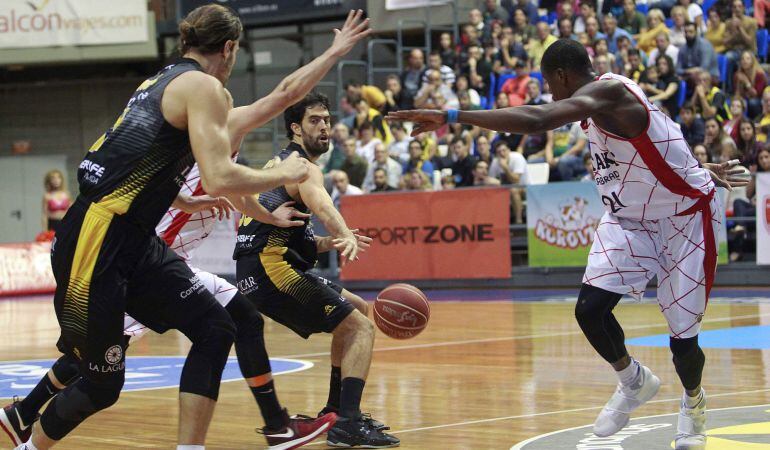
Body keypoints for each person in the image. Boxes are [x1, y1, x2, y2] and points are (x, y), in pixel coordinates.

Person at [2, 8, 374, 450]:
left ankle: (213, 442)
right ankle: (24, 426)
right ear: (230, 48)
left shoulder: (162, 83)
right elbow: (219, 177)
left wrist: (178, 196)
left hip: (133, 238)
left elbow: (280, 95)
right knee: (101, 380)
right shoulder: (206, 90)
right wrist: (284, 172)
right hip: (99, 241)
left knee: (220, 327)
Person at [388, 38, 749, 449]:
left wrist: (453, 114)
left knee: (683, 339)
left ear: (562, 76)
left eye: (550, 83)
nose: (550, 93)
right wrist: (696, 166)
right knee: (590, 311)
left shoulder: (609, 92)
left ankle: (693, 403)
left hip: (684, 221)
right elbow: (659, 142)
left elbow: (538, 118)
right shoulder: (604, 108)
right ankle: (633, 381)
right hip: (630, 220)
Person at [235, 93, 399, 448]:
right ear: (295, 128)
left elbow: (295, 234)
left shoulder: (277, 165)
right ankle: (348, 424)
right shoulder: (301, 166)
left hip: (263, 266)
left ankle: (337, 410)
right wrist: (341, 232)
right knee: (361, 328)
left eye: (326, 119)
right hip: (271, 270)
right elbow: (323, 205)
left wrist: (332, 241)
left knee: (357, 309)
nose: (324, 126)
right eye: (314, 120)